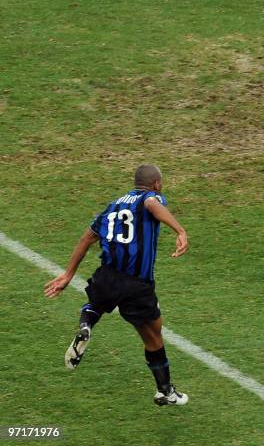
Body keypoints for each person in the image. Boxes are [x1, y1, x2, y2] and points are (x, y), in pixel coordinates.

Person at [44, 165, 190, 406]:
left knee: (95, 304)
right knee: (154, 332)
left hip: (107, 275)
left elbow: (87, 238)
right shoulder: (150, 197)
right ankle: (165, 390)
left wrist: (68, 274)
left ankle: (86, 324)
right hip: (137, 284)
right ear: (156, 184)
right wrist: (180, 230)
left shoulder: (112, 206)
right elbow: (152, 204)